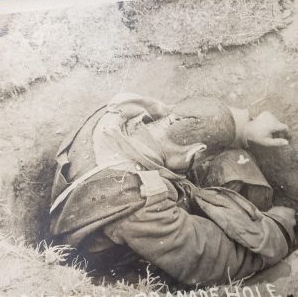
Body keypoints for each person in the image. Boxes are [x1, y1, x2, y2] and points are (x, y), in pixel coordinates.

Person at [49, 93, 296, 286]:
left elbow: (187, 116)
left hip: (107, 202)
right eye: (202, 157)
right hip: (114, 265)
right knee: (235, 171)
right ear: (196, 152)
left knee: (234, 159)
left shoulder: (118, 114)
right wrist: (283, 227)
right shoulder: (138, 202)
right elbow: (214, 262)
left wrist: (245, 128)